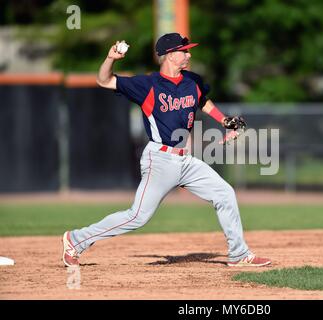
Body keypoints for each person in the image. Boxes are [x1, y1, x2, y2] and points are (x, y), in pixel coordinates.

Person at [62, 33, 271, 268]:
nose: (189, 54)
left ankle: (238, 253)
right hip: (160, 160)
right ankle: (76, 239)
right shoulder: (147, 85)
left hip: (186, 161)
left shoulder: (192, 81)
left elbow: (203, 101)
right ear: (170, 55)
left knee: (225, 194)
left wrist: (225, 122)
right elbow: (104, 80)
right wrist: (110, 58)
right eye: (185, 51)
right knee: (137, 216)